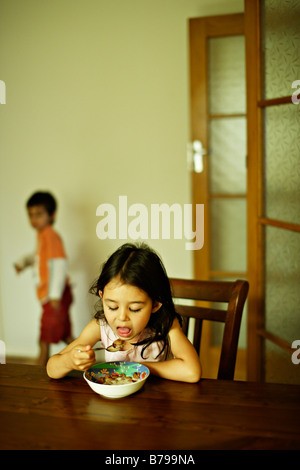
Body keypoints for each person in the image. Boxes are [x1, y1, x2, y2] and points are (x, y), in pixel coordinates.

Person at [46, 243, 201, 383]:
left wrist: (140, 368)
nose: (121, 318)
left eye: (134, 309)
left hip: (157, 405)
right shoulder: (100, 327)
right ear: (102, 296)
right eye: (112, 307)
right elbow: (51, 369)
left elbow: (191, 372)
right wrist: (69, 361)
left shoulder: (166, 325)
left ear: (155, 304)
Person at [14, 191, 73, 365]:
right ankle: (82, 357)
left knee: (45, 333)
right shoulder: (42, 235)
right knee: (63, 333)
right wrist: (23, 262)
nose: (34, 219)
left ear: (52, 215)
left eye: (39, 214)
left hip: (55, 295)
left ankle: (41, 363)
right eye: (30, 215)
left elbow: (59, 264)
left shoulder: (51, 236)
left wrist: (54, 295)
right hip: (55, 294)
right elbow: (40, 257)